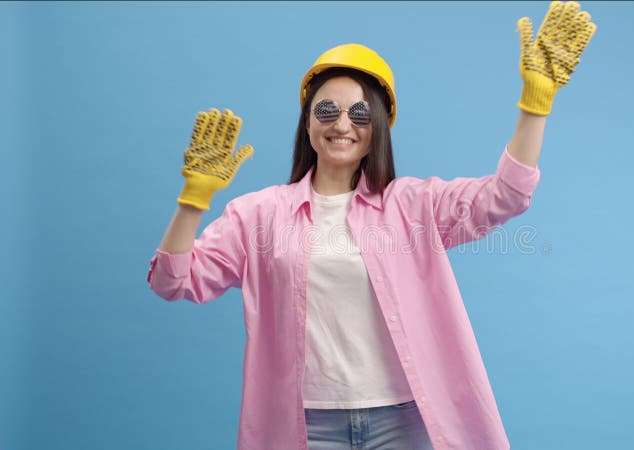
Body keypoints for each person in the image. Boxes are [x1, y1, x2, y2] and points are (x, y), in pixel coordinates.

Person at [147, 2, 596, 449]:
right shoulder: (258, 215)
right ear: (307, 123)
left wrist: (535, 104)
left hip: (401, 421)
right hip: (305, 425)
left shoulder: (414, 206)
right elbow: (174, 282)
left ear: (377, 128)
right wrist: (193, 202)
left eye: (359, 114)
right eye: (327, 110)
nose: (342, 124)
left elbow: (507, 195)